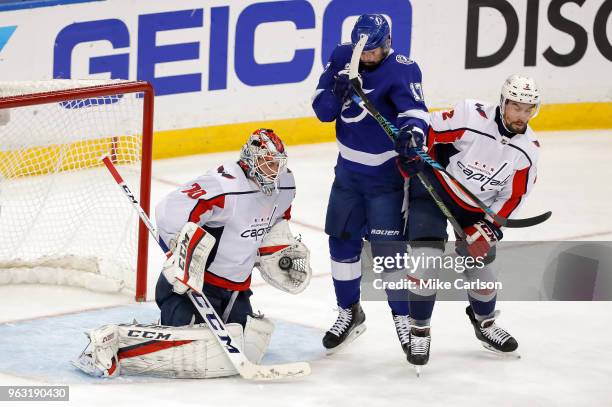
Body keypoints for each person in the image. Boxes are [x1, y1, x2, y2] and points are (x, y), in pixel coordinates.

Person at [73, 129, 312, 378]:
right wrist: (181, 252)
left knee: (249, 342)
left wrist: (276, 251)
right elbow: (170, 210)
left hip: (235, 290)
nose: (274, 170)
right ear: (251, 158)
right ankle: (109, 343)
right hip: (193, 287)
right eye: (268, 163)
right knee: (183, 347)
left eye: (277, 164)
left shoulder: (284, 184)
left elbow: (278, 219)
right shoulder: (225, 184)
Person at [397, 74, 541, 368]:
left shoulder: (529, 150)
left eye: (528, 109)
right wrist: (413, 143)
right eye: (516, 107)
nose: (522, 116)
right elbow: (429, 129)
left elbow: (512, 197)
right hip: (434, 189)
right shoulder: (470, 115)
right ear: (503, 103)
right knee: (426, 261)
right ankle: (420, 329)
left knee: (483, 273)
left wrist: (488, 228)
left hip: (475, 210)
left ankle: (485, 324)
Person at [312, 14, 429, 354]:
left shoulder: (404, 68)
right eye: (364, 50)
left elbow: (416, 112)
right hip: (347, 174)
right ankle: (349, 311)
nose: (367, 57)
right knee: (342, 244)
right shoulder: (341, 57)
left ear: (388, 43)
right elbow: (322, 112)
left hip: (385, 180)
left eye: (374, 51)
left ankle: (403, 318)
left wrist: (412, 135)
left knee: (388, 254)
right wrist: (337, 90)